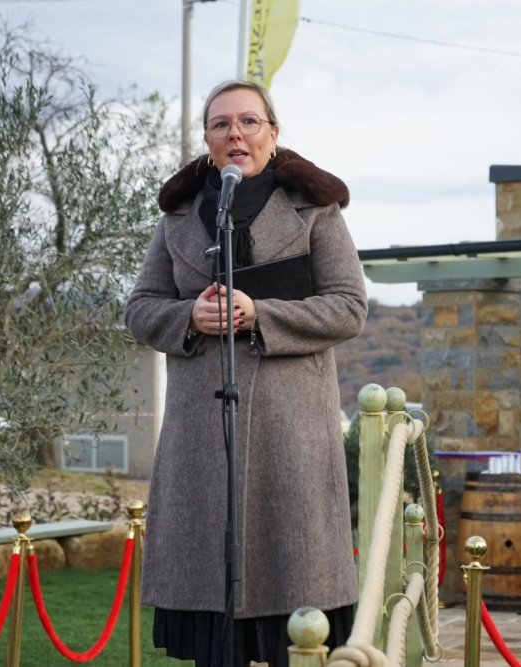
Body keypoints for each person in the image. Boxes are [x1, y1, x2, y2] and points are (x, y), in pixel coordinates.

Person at [125, 79, 367, 667]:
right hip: (201, 438)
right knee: (213, 610)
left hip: (291, 436)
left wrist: (259, 314)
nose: (235, 134)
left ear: (272, 133)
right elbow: (139, 309)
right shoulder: (178, 218)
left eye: (248, 122)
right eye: (221, 124)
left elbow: (349, 307)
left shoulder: (316, 209)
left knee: (295, 606)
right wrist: (190, 316)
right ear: (208, 140)